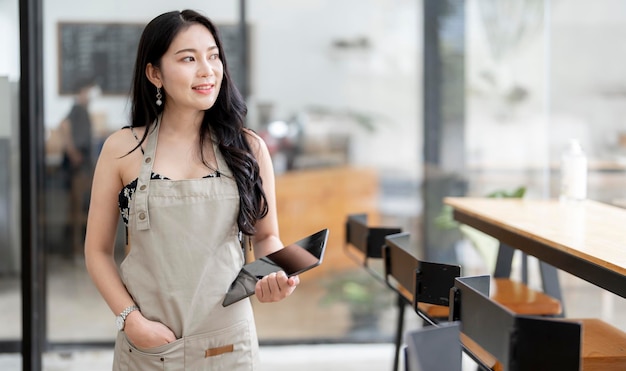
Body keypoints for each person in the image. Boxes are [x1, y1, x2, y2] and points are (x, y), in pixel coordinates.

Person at [84, 9, 298, 370]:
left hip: (229, 345)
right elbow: (97, 252)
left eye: (213, 56)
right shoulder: (122, 149)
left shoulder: (249, 149)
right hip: (149, 348)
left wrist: (276, 273)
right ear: (155, 73)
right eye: (188, 58)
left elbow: (267, 236)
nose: (207, 70)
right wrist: (131, 320)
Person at [59, 75, 97, 259]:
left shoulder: (83, 110)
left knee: (81, 208)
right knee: (76, 210)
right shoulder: (77, 110)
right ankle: (73, 249)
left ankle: (77, 248)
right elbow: (64, 126)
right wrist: (72, 150)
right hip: (78, 168)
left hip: (84, 166)